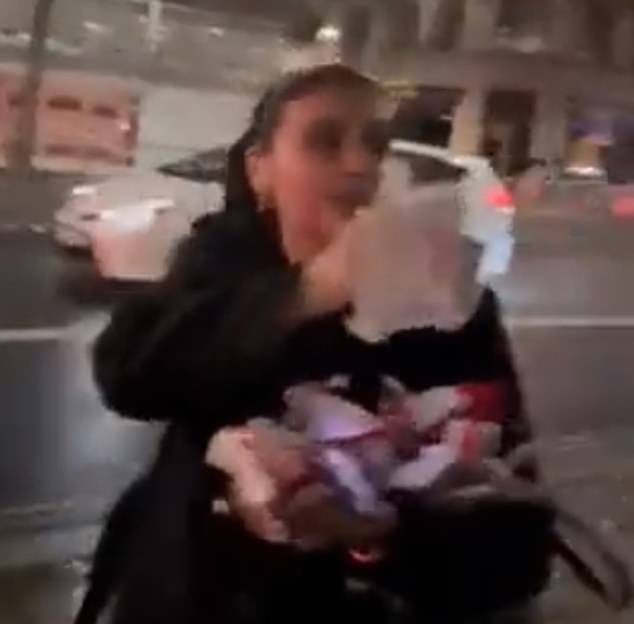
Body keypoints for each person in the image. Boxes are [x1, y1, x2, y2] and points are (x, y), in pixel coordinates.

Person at [80, 64, 550, 624]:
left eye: (376, 145)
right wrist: (307, 292)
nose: (359, 164)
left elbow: (519, 545)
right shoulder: (220, 263)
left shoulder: (452, 302)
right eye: (324, 142)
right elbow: (128, 374)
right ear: (260, 171)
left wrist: (380, 539)